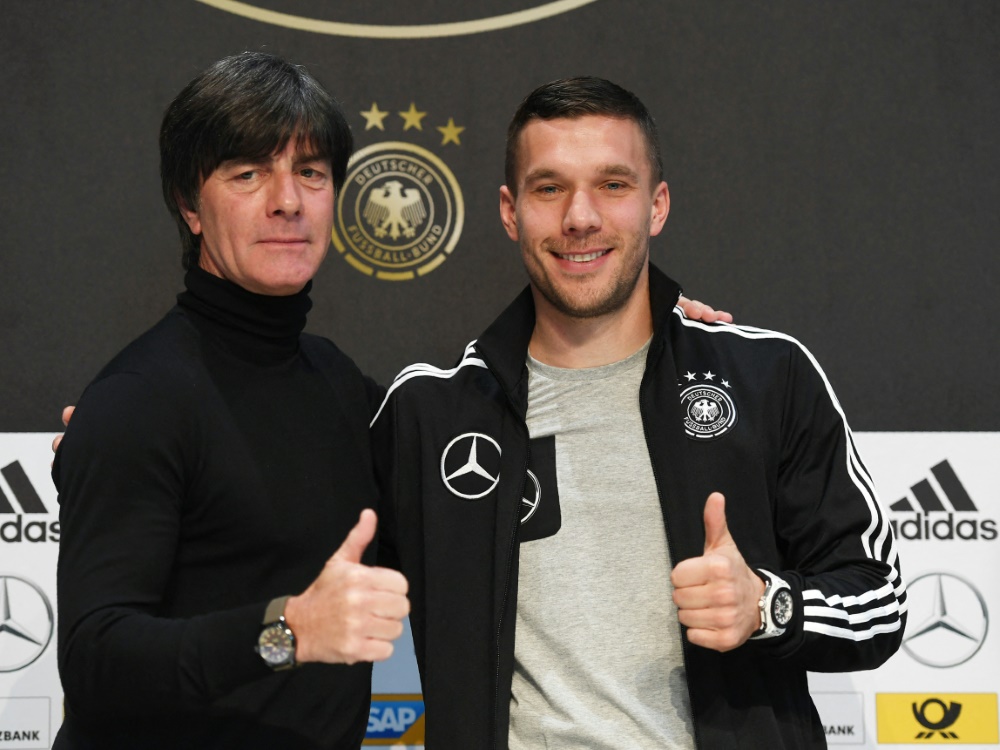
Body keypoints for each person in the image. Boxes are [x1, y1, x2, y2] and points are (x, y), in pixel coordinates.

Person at [370, 77, 907, 748]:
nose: (580, 217)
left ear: (657, 205)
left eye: (614, 186)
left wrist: (766, 604)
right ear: (510, 212)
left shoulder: (768, 377)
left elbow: (880, 601)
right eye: (549, 188)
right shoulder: (430, 411)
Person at [52, 52, 411, 749]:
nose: (287, 199)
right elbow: (95, 659)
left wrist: (655, 329)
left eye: (310, 171)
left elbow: (467, 494)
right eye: (247, 173)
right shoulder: (138, 399)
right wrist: (288, 630)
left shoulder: (338, 383)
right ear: (189, 205)